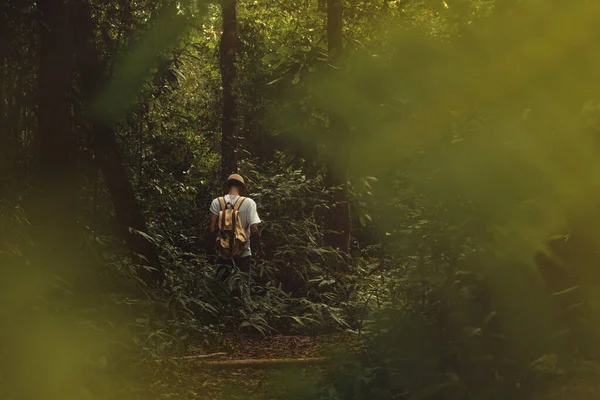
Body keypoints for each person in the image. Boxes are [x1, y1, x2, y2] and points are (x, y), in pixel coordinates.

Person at [207, 174, 263, 279]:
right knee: (243, 287)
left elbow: (212, 229)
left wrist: (210, 250)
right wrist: (259, 248)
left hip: (223, 252)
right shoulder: (249, 203)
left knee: (221, 286)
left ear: (228, 186)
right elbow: (254, 229)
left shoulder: (217, 202)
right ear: (241, 187)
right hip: (243, 252)